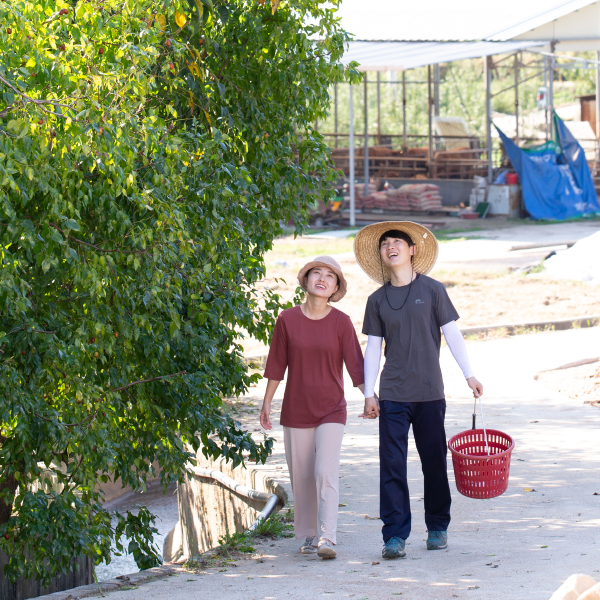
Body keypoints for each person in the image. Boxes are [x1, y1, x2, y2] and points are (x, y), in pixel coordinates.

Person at [353, 221, 483, 560]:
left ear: (412, 250)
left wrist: (469, 375)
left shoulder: (434, 290)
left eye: (398, 241)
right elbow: (372, 348)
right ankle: (394, 536)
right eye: (385, 244)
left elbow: (453, 334)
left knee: (433, 464)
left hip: (429, 393)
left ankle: (437, 527)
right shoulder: (377, 300)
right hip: (393, 394)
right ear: (381, 255)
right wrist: (369, 392)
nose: (391, 247)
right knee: (392, 466)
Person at [260, 256, 365, 560]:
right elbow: (276, 365)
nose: (322, 279)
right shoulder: (287, 319)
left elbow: (355, 366)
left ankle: (327, 536)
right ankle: (307, 534)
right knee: (302, 476)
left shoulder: (341, 322)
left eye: (330, 276)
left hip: (332, 409)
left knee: (324, 471)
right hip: (296, 410)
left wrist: (371, 397)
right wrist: (267, 402)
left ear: (336, 287)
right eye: (316, 273)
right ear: (305, 281)